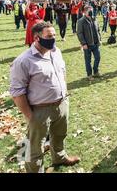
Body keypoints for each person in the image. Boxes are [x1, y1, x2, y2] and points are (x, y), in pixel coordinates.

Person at [9, 21, 80, 173]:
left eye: (54, 35)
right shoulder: (23, 61)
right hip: (39, 110)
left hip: (61, 104)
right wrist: (30, 116)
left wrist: (64, 95)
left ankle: (59, 157)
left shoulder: (56, 51)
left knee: (59, 135)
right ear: (36, 38)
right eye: (49, 36)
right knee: (33, 146)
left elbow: (62, 73)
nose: (53, 39)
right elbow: (17, 93)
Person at [76, 5, 101, 81]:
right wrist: (83, 44)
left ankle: (95, 71)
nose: (91, 12)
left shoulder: (94, 19)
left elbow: (98, 30)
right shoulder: (81, 21)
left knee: (98, 57)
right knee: (88, 60)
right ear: (85, 12)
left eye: (92, 11)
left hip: (96, 43)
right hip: (87, 45)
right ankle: (89, 75)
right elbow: (79, 33)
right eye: (89, 11)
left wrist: (100, 39)